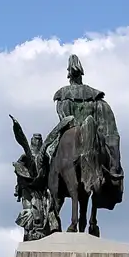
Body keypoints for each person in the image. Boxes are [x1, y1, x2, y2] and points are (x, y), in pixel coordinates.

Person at [51, 54, 124, 210]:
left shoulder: (62, 96)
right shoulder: (97, 99)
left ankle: (48, 185)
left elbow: (63, 119)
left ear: (69, 74)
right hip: (94, 139)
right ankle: (111, 181)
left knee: (49, 158)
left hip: (70, 136)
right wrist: (115, 164)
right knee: (109, 160)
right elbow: (109, 132)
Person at [10, 116, 60, 241]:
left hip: (42, 188)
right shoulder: (25, 156)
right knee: (29, 211)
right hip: (28, 188)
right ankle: (30, 233)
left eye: (39, 140)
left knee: (46, 210)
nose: (37, 142)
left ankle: (43, 232)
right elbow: (19, 168)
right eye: (35, 140)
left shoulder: (45, 157)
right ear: (32, 141)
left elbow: (49, 171)